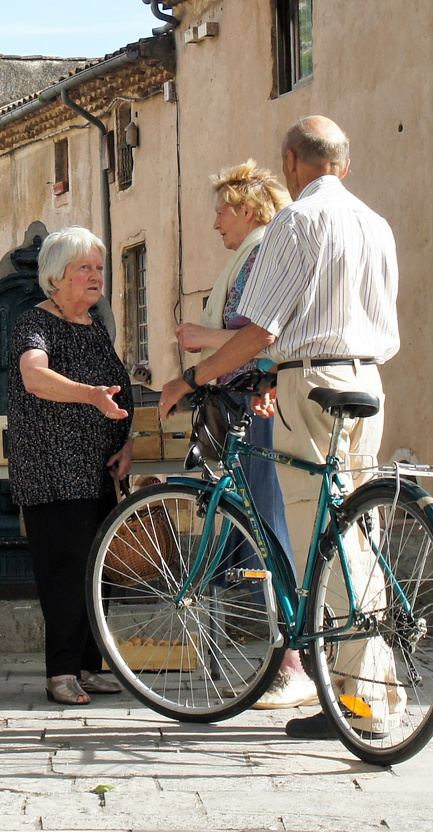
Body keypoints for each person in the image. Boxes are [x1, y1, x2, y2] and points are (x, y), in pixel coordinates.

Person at [161, 116, 401, 740]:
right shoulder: (375, 224)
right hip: (367, 380)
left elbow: (262, 332)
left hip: (314, 385)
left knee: (323, 537)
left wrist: (194, 378)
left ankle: (362, 703)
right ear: (342, 165)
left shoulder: (296, 222)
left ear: (292, 163)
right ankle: (371, 687)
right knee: (358, 528)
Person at [173, 160, 312, 711]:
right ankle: (290, 659)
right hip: (251, 403)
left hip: (253, 408)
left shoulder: (258, 252)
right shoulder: (254, 251)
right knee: (262, 527)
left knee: (269, 527)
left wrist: (201, 342)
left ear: (247, 209)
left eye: (220, 211)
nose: (215, 224)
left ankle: (293, 663)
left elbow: (261, 335)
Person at [7, 227, 133, 707]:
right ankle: (60, 672)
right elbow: (34, 376)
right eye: (85, 268)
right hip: (53, 472)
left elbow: (118, 388)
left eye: (99, 268)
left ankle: (87, 665)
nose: (95, 276)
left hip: (97, 469)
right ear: (57, 276)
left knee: (94, 570)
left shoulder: (95, 325)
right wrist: (89, 396)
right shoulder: (33, 323)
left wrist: (129, 444)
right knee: (65, 571)